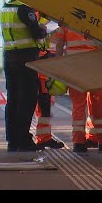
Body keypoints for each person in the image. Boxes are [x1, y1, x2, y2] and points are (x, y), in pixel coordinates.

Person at [55, 26, 102, 153]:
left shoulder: (65, 20)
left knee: (78, 105)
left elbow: (59, 45)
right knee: (98, 103)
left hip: (74, 68)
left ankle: (78, 142)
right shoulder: (93, 18)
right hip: (93, 66)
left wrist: (58, 67)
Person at [0, 0, 51, 152]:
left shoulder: (5, 8)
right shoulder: (24, 9)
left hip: (9, 57)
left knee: (13, 100)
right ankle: (23, 139)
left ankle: (13, 140)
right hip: (25, 59)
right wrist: (42, 28)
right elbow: (37, 33)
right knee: (27, 99)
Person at [33, 13, 64, 149]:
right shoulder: (37, 17)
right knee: (43, 105)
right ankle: (42, 138)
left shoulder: (42, 17)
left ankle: (44, 137)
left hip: (42, 69)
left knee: (44, 106)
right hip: (41, 70)